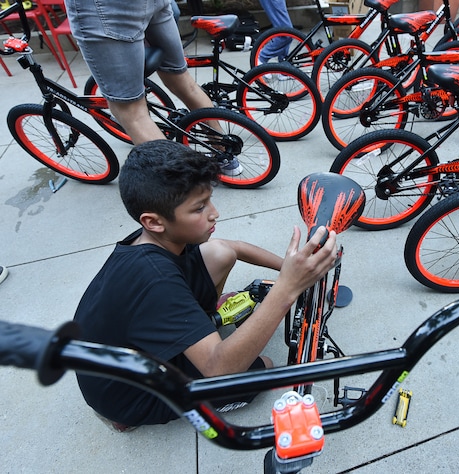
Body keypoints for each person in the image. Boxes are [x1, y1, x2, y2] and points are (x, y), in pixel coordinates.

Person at [73, 140, 337, 431]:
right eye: (199, 208)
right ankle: (126, 419)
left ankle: (199, 327)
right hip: (129, 394)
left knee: (220, 253)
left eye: (209, 199)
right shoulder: (156, 282)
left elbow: (233, 247)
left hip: (131, 350)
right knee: (263, 367)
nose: (214, 213)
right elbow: (220, 370)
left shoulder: (156, 238)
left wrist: (293, 268)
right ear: (154, 221)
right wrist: (288, 287)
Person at [63, 0, 216, 147]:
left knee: (132, 112)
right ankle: (225, 157)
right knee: (184, 82)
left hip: (104, 8)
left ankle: (179, 174)